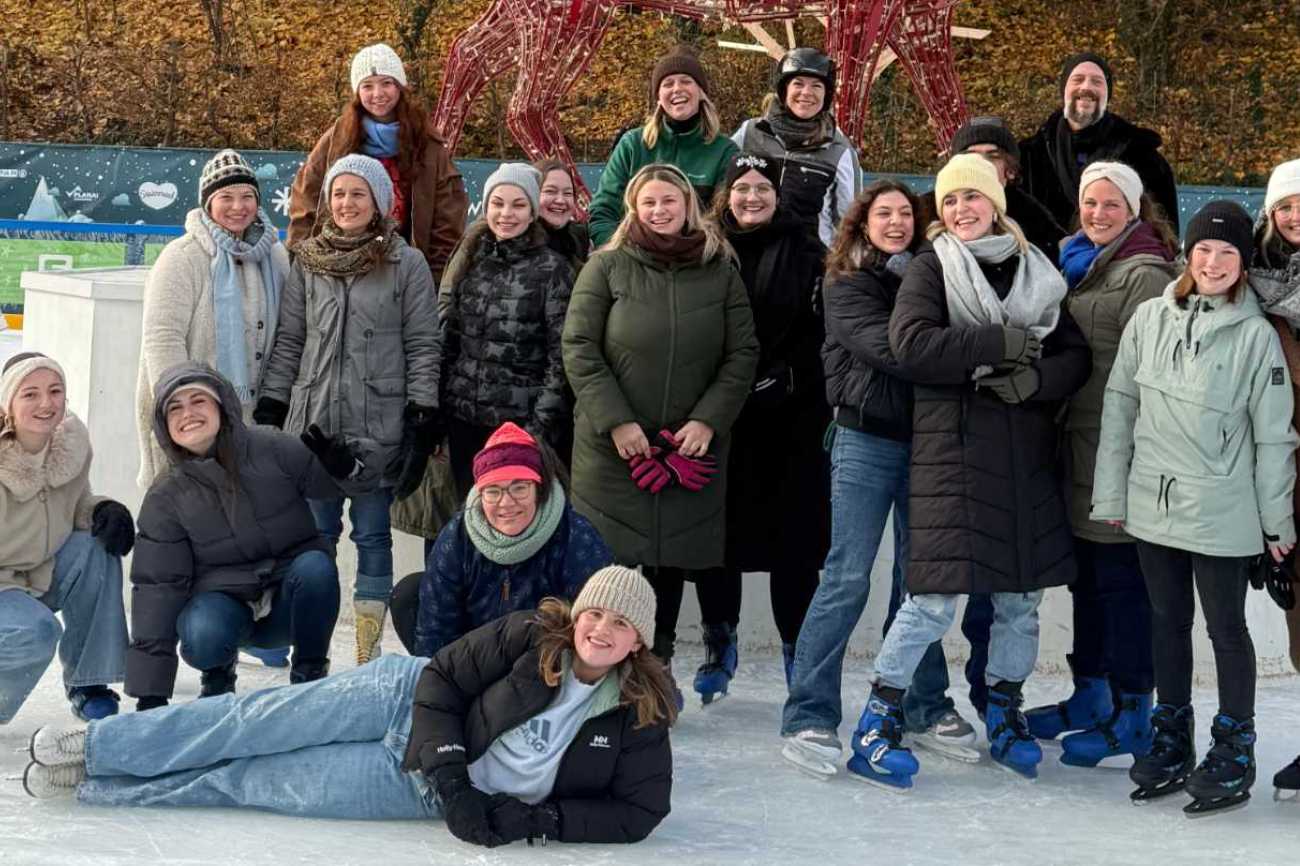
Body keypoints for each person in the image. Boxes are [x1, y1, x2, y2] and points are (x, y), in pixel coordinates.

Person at [24, 566, 676, 849]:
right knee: (249, 724)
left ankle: (101, 790)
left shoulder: (638, 714)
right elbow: (445, 678)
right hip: (402, 701)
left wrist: (533, 822)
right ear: (578, 613)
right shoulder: (532, 636)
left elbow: (640, 811)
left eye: (620, 623)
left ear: (637, 641)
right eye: (594, 612)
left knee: (255, 781)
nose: (600, 628)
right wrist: (451, 773)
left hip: (419, 788)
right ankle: (102, 749)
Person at [847, 154, 1089, 789]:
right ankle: (878, 719)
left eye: (971, 199)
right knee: (931, 600)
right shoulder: (932, 267)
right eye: (949, 201)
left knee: (1020, 600)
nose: (959, 211)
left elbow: (1074, 356)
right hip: (952, 455)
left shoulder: (1037, 268)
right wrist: (998, 345)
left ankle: (1004, 710)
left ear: (995, 204)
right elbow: (913, 346)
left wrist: (1035, 380)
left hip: (1025, 453)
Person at [1093, 200, 1296, 815]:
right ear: (1188, 255)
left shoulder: (1257, 335)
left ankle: (1234, 747)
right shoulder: (1150, 318)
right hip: (1154, 503)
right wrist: (1111, 493)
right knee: (1165, 622)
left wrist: (1275, 522)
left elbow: (1273, 437)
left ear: (1242, 262)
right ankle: (1171, 736)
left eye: (1228, 252)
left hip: (1223, 509)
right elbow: (1119, 408)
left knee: (1226, 630)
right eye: (1204, 250)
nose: (1213, 262)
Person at [781, 180, 981, 777]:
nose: (894, 221)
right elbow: (899, 351)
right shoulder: (845, 280)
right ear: (861, 222)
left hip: (929, 443)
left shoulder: (937, 274)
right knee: (846, 575)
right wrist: (968, 352)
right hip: (865, 439)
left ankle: (923, 706)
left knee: (920, 582)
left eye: (904, 213)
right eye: (882, 212)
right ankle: (809, 713)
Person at [563, 163, 758, 684]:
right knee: (610, 563)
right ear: (633, 207)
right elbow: (579, 348)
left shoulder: (720, 271)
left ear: (687, 205)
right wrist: (618, 422)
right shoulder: (605, 268)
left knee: (668, 562)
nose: (659, 210)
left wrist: (707, 422)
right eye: (648, 202)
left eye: (669, 200)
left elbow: (742, 355)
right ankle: (593, 673)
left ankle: (654, 670)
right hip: (614, 449)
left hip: (686, 448)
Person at [1020, 161, 1179, 766]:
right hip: (1071, 442)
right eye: (1091, 202)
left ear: (1134, 211)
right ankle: (1090, 695)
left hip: (1119, 447)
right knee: (1086, 577)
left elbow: (1151, 372)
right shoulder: (1074, 261)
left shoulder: (1145, 273)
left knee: (1121, 583)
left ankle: (1135, 710)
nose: (1099, 213)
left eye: (1112, 204)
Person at [258, 153, 443, 666]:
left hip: (376, 428)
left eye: (358, 193)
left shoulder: (405, 263)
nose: (346, 203)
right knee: (314, 540)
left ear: (378, 202)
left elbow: (424, 344)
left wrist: (420, 417)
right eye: (339, 193)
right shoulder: (307, 261)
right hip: (313, 424)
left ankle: (367, 645)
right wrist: (272, 409)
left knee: (373, 537)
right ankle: (306, 640)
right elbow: (291, 341)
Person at [125, 364, 349, 706]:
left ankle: (309, 674)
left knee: (317, 567)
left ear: (222, 406)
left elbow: (334, 485)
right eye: (175, 408)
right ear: (164, 426)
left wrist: (347, 466)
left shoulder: (272, 447)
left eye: (199, 400)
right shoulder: (165, 498)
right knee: (202, 631)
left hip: (289, 601)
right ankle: (217, 674)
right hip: (224, 609)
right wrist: (150, 695)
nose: (188, 413)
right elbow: (157, 592)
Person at [691, 151, 829, 704]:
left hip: (791, 421)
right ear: (727, 194)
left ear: (778, 195)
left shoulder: (809, 251)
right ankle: (718, 641)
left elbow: (823, 328)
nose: (752, 198)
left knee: (793, 546)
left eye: (762, 189)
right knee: (714, 539)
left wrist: (791, 375)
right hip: (721, 418)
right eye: (742, 188)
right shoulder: (704, 249)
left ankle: (798, 650)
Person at [388, 421, 612, 657]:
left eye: (519, 488)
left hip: (544, 665)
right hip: (473, 663)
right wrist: (440, 684)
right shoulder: (456, 537)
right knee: (408, 593)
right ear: (479, 494)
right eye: (493, 491)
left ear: (539, 489)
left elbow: (598, 625)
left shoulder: (576, 536)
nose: (506, 503)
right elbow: (436, 630)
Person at [135, 149, 289, 488]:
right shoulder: (182, 257)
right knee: (191, 515)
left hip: (257, 418)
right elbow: (162, 338)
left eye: (247, 196)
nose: (238, 206)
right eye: (227, 197)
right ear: (208, 203)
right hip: (193, 419)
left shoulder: (275, 255)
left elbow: (288, 333)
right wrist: (183, 410)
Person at [0, 352, 131, 723]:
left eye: (55, 391)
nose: (46, 403)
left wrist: (101, 509)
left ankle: (89, 684)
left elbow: (77, 505)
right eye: (30, 394)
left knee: (96, 547)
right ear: (8, 403)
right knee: (37, 631)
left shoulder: (69, 447)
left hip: (39, 573)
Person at [438, 163, 576, 498]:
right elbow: (450, 340)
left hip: (517, 426)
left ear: (532, 212)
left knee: (511, 522)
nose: (506, 214)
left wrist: (538, 428)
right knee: (469, 518)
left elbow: (561, 359)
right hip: (464, 421)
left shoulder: (552, 269)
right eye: (498, 203)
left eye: (518, 205)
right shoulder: (471, 260)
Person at [288, 42, 468, 284]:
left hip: (404, 266)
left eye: (387, 83)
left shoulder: (427, 143)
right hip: (341, 262)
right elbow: (306, 195)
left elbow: (448, 215)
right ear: (357, 92)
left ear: (400, 87)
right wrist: (301, 256)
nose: (377, 94)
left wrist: (435, 276)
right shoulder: (338, 138)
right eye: (368, 86)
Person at [587, 47, 738, 247]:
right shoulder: (632, 145)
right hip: (633, 258)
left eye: (686, 81)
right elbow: (603, 210)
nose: (677, 88)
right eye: (668, 83)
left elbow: (724, 220)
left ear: (701, 92)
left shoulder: (724, 151)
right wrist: (620, 253)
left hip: (694, 262)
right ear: (658, 96)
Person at [1019, 52, 1180, 233]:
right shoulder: (1028, 156)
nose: (1086, 87)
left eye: (1097, 82)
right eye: (1078, 79)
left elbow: (1164, 234)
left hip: (1118, 259)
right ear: (1064, 89)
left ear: (1108, 94)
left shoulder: (1144, 158)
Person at [731, 48, 862, 246]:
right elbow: (723, 190)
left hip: (807, 261)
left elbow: (850, 222)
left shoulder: (838, 149)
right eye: (798, 84)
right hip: (749, 251)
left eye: (816, 86)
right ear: (784, 90)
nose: (806, 93)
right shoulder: (752, 132)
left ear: (826, 95)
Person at [948, 115, 1065, 264]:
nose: (982, 163)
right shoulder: (928, 214)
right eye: (972, 156)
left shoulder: (1035, 221)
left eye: (993, 156)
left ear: (1010, 170)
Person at [533, 157, 591, 269]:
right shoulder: (516, 242)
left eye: (568, 193)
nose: (560, 200)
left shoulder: (581, 238)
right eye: (550, 191)